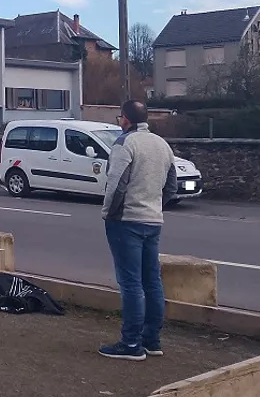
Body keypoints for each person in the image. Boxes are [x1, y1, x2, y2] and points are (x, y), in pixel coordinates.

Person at [98, 100, 178, 361]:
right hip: (153, 220)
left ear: (126, 120)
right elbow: (171, 186)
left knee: (130, 283)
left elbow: (116, 184)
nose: (119, 121)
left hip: (126, 221)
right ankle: (151, 340)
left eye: (120, 117)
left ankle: (130, 343)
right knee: (152, 281)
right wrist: (155, 207)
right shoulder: (162, 145)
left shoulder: (125, 144)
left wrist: (108, 213)